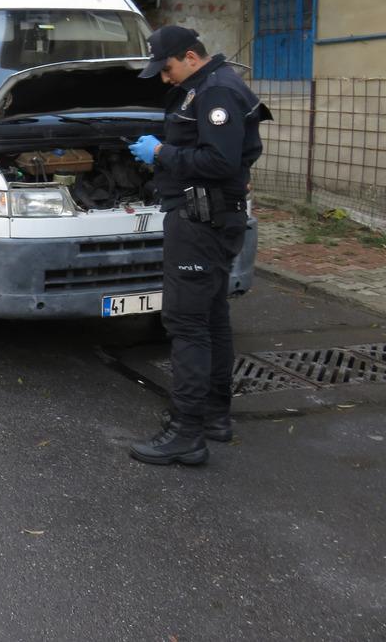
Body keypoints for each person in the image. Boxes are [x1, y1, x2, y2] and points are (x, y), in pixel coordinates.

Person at [127, 25, 271, 466]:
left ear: (191, 56)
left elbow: (220, 161)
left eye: (166, 68)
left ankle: (185, 434)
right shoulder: (206, 87)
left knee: (186, 324)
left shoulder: (216, 92)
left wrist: (160, 154)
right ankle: (213, 416)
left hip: (201, 220)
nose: (165, 78)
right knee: (210, 318)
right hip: (210, 217)